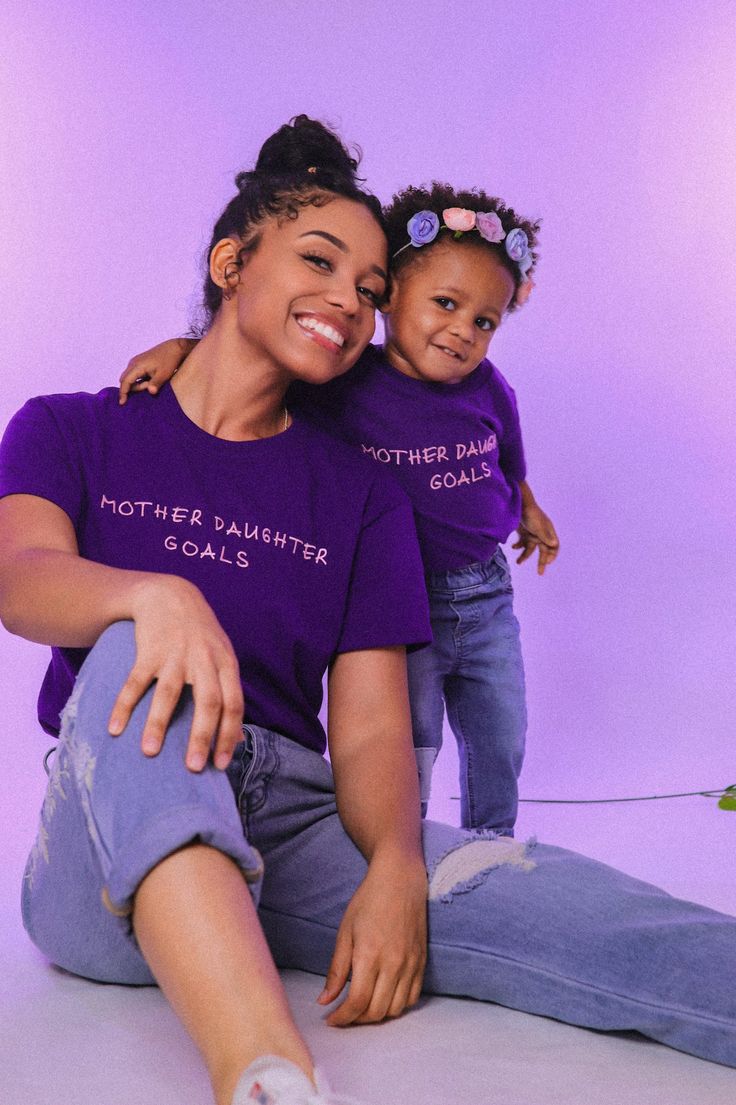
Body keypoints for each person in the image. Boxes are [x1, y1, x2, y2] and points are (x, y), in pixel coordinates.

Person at [1, 117, 735, 1105]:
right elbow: (23, 576)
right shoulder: (75, 427)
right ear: (231, 261)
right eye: (318, 261)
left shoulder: (361, 494)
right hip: (105, 840)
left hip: (293, 829)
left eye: (370, 290)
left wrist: (393, 862)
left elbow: (376, 718)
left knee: (562, 903)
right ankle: (265, 1073)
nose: (347, 301)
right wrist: (152, 595)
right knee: (139, 645)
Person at [120, 183, 559, 835]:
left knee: (501, 731)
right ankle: (401, 844)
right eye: (446, 304)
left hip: (489, 594)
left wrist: (527, 505)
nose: (463, 332)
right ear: (390, 298)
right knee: (413, 743)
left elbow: (507, 457)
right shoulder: (348, 383)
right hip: (407, 607)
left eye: (484, 321)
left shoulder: (488, 387)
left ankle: (494, 844)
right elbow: (251, 361)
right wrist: (181, 348)